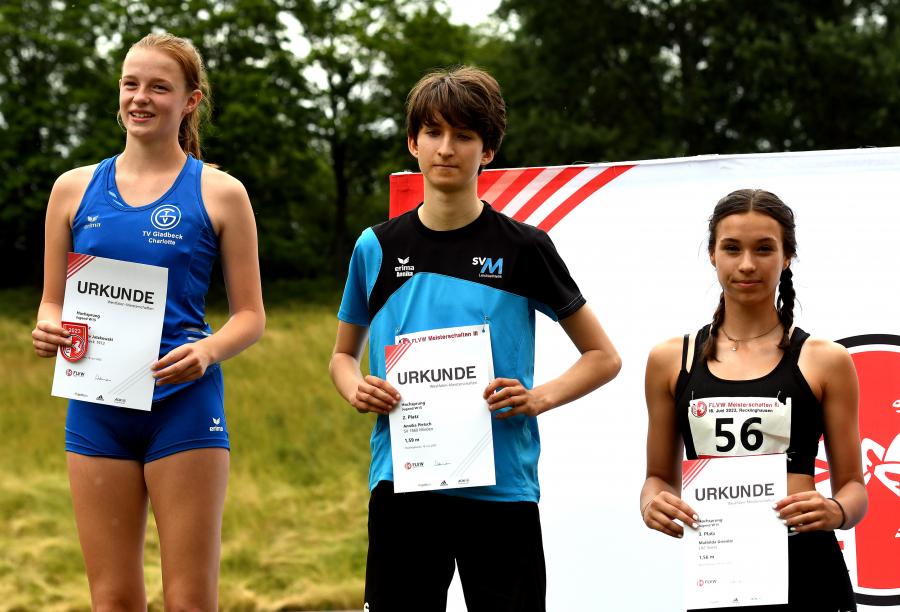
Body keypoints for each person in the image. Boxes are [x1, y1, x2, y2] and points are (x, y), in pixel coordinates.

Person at [329, 66, 622, 612]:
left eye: (464, 135)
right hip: (404, 488)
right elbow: (343, 356)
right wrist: (354, 388)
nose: (447, 148)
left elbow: (603, 357)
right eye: (434, 133)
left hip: (502, 489)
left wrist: (538, 398)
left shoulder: (525, 247)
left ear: (488, 150)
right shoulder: (375, 247)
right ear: (412, 143)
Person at [31, 33, 265, 610]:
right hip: (97, 408)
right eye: (130, 84)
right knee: (111, 600)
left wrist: (208, 351)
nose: (140, 97)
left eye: (159, 86)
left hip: (182, 405)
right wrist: (47, 327)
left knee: (188, 601)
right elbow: (51, 302)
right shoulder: (71, 189)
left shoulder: (221, 191)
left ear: (190, 100)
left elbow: (251, 316)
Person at [640, 189, 867, 611]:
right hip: (721, 566)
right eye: (732, 248)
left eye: (764, 249)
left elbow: (854, 486)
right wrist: (651, 502)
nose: (747, 264)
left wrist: (836, 510)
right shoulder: (670, 359)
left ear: (786, 257)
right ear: (712, 255)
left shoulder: (826, 360)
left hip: (807, 563)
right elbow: (657, 476)